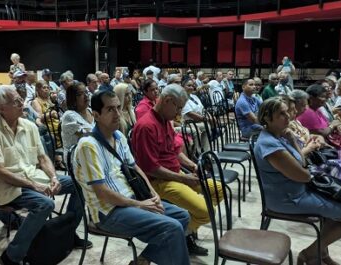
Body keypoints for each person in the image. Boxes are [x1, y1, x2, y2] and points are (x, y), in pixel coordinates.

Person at [74, 89, 190, 265]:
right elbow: (102, 192)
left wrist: (152, 194)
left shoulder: (119, 136)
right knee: (172, 228)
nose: (117, 114)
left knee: (182, 216)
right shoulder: (88, 145)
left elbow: (135, 167)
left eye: (118, 108)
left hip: (132, 199)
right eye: (110, 109)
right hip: (108, 212)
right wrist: (140, 205)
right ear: (96, 115)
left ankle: (143, 260)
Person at [0, 85, 90, 265]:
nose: (21, 103)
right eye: (15, 101)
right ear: (1, 108)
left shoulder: (29, 126)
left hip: (33, 177)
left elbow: (42, 157)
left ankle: (68, 233)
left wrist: (54, 177)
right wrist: (34, 186)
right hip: (8, 186)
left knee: (80, 183)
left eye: (20, 98)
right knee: (44, 204)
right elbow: (0, 171)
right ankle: (12, 255)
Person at [254, 97, 341, 265]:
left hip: (297, 189)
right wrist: (315, 173)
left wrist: (291, 140)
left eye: (287, 111)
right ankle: (309, 254)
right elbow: (303, 175)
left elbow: (302, 163)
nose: (288, 116)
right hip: (288, 198)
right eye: (281, 114)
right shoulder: (271, 146)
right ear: (267, 118)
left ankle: (320, 253)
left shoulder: (279, 135)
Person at [132, 84, 224, 256]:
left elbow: (175, 151)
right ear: (168, 101)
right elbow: (150, 168)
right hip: (158, 182)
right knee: (206, 211)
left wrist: (192, 166)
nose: (179, 113)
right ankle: (177, 237)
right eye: (179, 108)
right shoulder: (146, 126)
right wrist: (183, 179)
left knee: (219, 190)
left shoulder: (165, 120)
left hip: (175, 174)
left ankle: (184, 232)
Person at [297, 84, 341, 177]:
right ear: (311, 98)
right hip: (320, 145)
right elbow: (322, 132)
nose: (325, 99)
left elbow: (328, 124)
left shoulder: (317, 109)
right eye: (322, 96)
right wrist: (333, 125)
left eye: (325, 96)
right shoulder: (308, 112)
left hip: (327, 139)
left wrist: (336, 125)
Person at [31, 80, 64, 169]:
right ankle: (55, 160)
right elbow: (39, 117)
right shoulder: (36, 101)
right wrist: (50, 114)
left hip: (58, 125)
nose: (46, 89)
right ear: (38, 89)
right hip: (47, 127)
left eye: (47, 87)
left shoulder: (51, 100)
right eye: (43, 88)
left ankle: (59, 159)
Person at [61, 82, 94, 162]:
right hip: (77, 157)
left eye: (86, 92)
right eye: (80, 94)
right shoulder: (69, 115)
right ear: (73, 99)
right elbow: (87, 135)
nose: (86, 96)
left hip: (93, 152)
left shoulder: (91, 111)